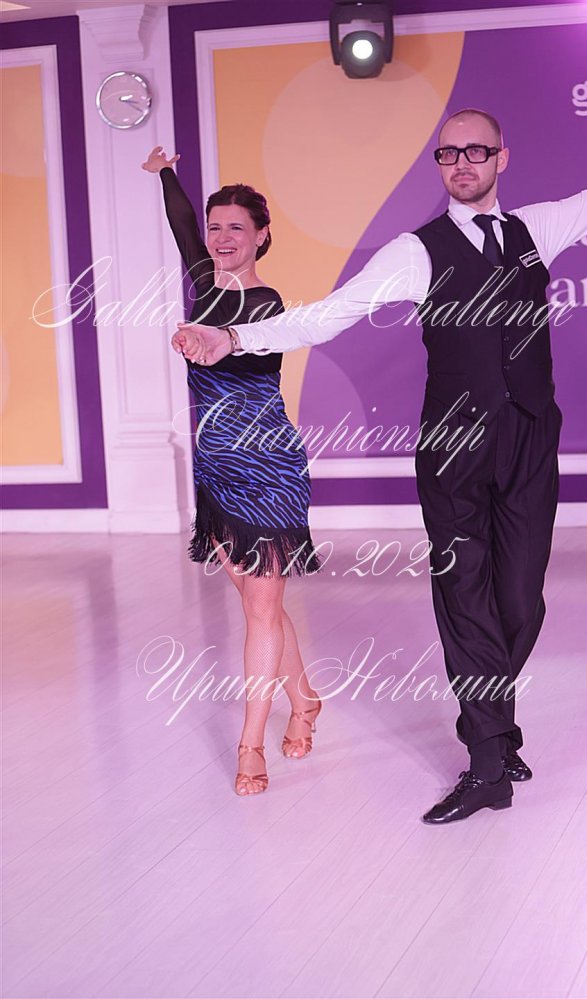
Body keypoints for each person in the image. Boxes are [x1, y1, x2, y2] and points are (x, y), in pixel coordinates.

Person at [172, 113, 587, 824]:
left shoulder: (541, 227)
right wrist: (233, 336)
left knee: (521, 600)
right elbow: (327, 316)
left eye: (476, 151)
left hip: (529, 435)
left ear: (501, 157)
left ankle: (490, 725)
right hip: (453, 443)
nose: (462, 162)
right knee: (464, 593)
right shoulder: (415, 252)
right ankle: (489, 761)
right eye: (448, 153)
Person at [142, 147, 322, 797]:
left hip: (268, 469)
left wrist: (200, 341)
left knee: (261, 607)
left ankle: (251, 745)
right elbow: (181, 224)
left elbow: (237, 344)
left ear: (261, 236)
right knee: (258, 602)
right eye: (215, 227)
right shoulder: (204, 280)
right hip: (217, 469)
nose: (221, 237)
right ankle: (306, 699)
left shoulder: (265, 300)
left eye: (236, 228)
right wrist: (165, 172)